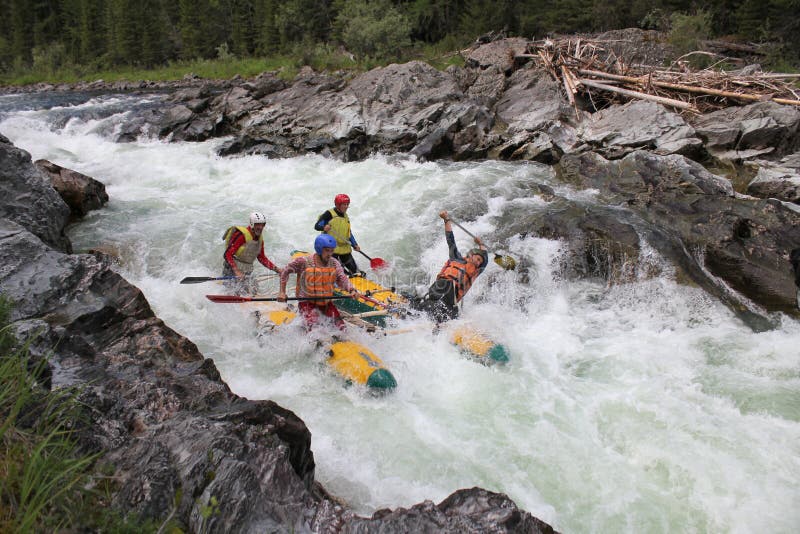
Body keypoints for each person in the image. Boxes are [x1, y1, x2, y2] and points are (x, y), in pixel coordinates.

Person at [413, 210, 488, 323]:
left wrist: (481, 245)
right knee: (431, 300)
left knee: (441, 308)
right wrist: (446, 220)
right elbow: (450, 240)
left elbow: (485, 260)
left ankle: (438, 317)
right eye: (477, 259)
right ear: (471, 255)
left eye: (479, 261)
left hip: (450, 298)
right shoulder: (456, 257)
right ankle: (417, 310)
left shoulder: (475, 271)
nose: (478, 262)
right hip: (438, 288)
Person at [278, 234, 360, 331]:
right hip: (306, 303)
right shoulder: (303, 262)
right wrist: (282, 292)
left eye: (332, 250)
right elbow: (285, 272)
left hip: (326, 303)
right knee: (315, 331)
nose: (330, 254)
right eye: (327, 250)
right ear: (319, 249)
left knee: (342, 329)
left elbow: (342, 278)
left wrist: (351, 289)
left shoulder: (334, 263)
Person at [222, 211, 282, 293]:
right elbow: (227, 254)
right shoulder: (242, 236)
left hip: (246, 271)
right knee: (233, 292)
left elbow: (262, 258)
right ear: (252, 224)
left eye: (262, 224)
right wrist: (236, 271)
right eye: (257, 224)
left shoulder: (260, 240)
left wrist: (277, 270)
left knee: (254, 291)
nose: (260, 227)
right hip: (232, 270)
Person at [314, 193, 362, 276]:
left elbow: (349, 233)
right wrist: (324, 227)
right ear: (338, 205)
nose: (346, 206)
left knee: (354, 270)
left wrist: (355, 244)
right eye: (344, 204)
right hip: (331, 249)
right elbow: (317, 226)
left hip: (344, 248)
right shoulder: (329, 214)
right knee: (338, 272)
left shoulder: (345, 216)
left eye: (347, 204)